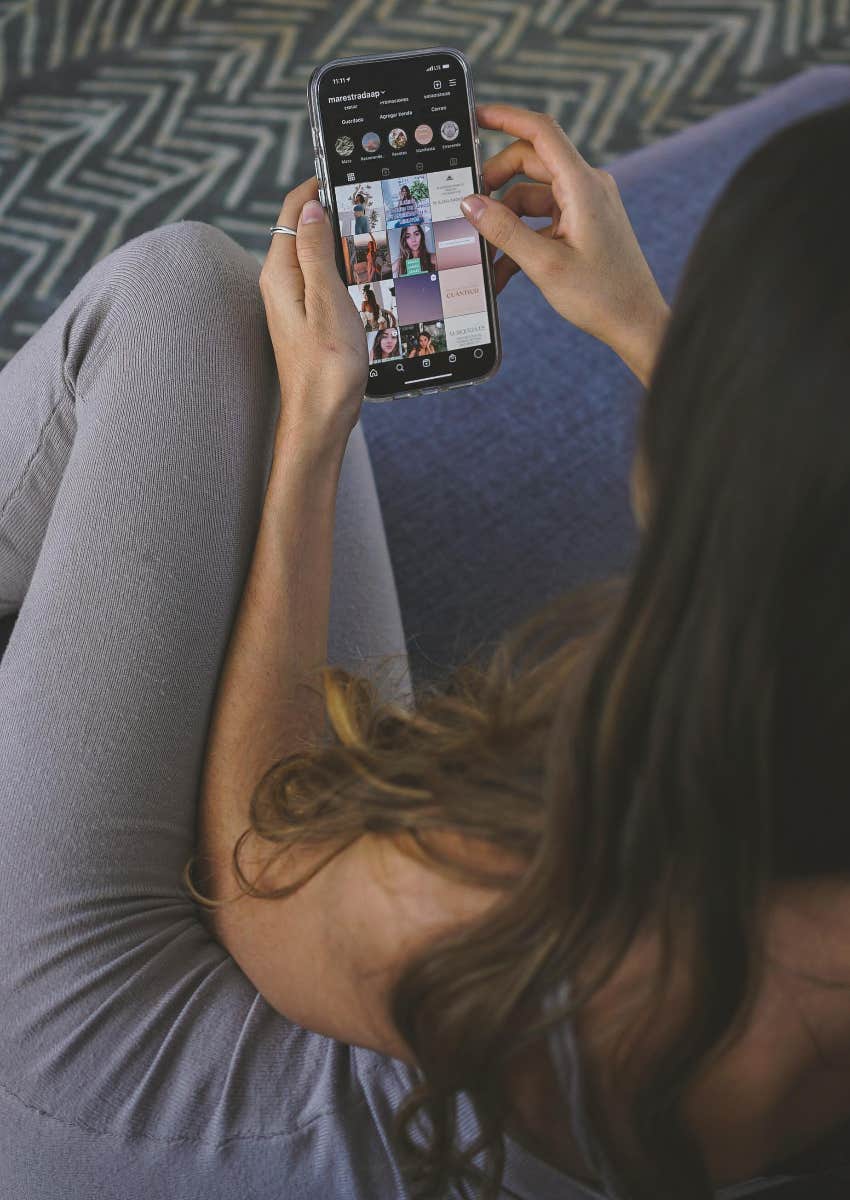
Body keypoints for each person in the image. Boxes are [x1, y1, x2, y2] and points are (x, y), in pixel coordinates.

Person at [3, 75, 850, 1200]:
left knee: (183, 295)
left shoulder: (568, 885)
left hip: (155, 1078)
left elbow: (260, 867)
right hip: (406, 995)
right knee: (225, 325)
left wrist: (314, 432)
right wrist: (643, 324)